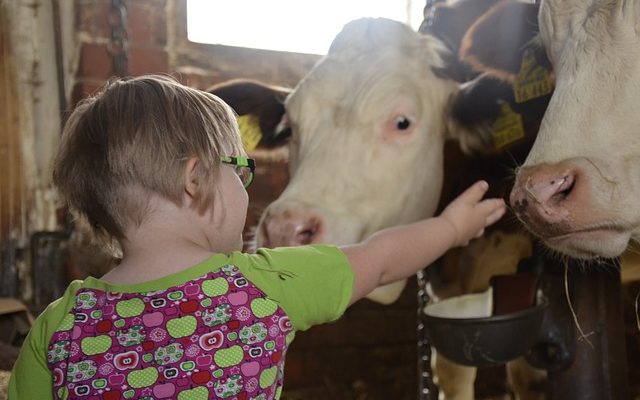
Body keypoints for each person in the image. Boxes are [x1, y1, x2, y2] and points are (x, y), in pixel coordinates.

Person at [8, 75, 505, 399]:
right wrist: (451, 227)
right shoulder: (262, 288)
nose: (246, 185)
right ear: (196, 179)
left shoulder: (60, 326)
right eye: (239, 169)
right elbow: (380, 260)